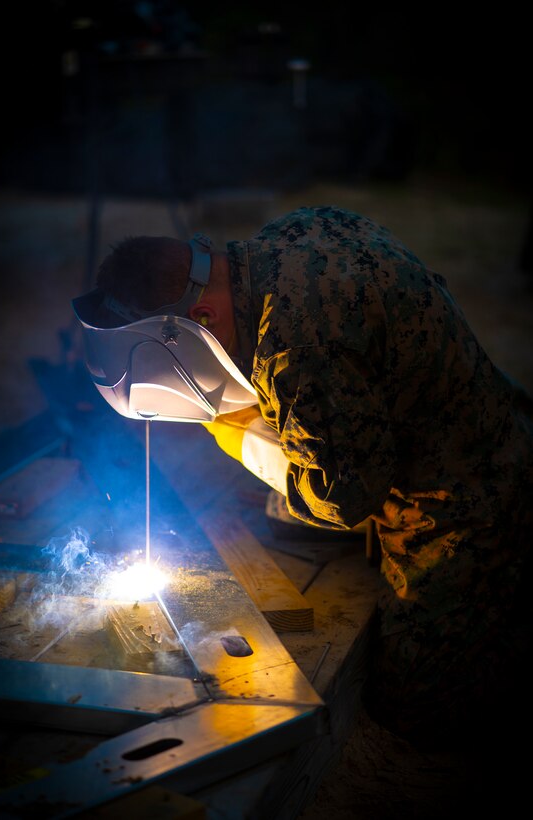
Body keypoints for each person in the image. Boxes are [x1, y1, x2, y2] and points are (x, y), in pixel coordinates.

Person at [83, 205, 532, 802]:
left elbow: (345, 500)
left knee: (415, 712)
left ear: (200, 318)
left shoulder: (293, 349)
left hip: (469, 500)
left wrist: (239, 433)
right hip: (467, 426)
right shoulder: (288, 238)